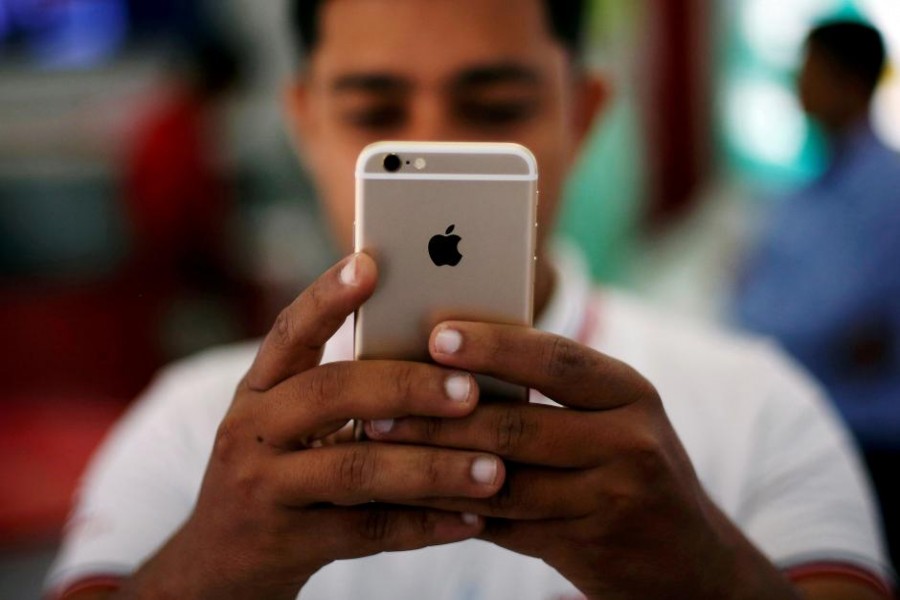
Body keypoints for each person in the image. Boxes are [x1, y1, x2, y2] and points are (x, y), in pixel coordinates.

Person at [47, 2, 893, 598]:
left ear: (585, 115)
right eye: (375, 110)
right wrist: (213, 566)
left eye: (494, 107)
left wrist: (705, 579)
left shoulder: (761, 406)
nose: (433, 147)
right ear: (303, 123)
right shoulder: (193, 429)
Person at [733, 20, 900, 570]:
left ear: (849, 81)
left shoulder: (886, 190)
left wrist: (763, 321)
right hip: (805, 421)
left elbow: (837, 318)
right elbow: (744, 297)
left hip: (868, 441)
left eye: (808, 70)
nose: (797, 84)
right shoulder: (804, 190)